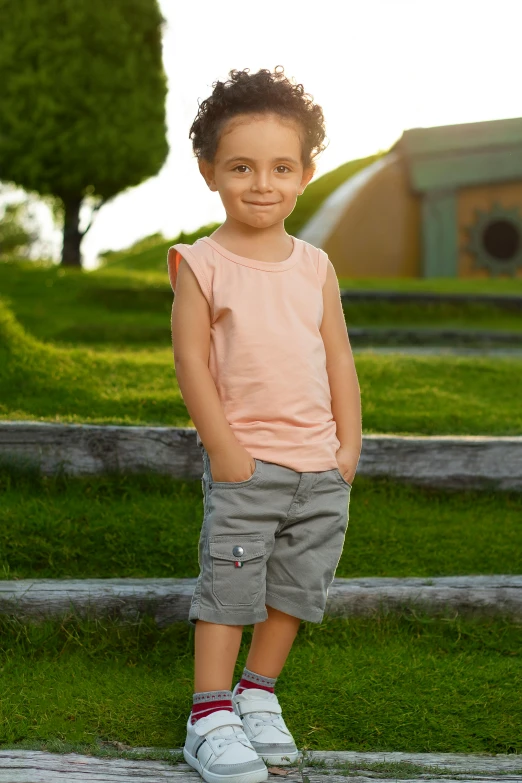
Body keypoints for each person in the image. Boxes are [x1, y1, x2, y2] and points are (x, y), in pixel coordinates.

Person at [168, 66, 362, 783]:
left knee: (294, 589)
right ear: (209, 171)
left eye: (282, 167)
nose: (261, 183)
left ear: (307, 174)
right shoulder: (202, 262)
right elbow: (191, 360)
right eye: (241, 166)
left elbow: (338, 357)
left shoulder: (315, 266)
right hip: (248, 463)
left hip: (320, 468)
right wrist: (226, 450)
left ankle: (257, 694)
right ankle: (209, 715)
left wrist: (348, 448)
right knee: (231, 588)